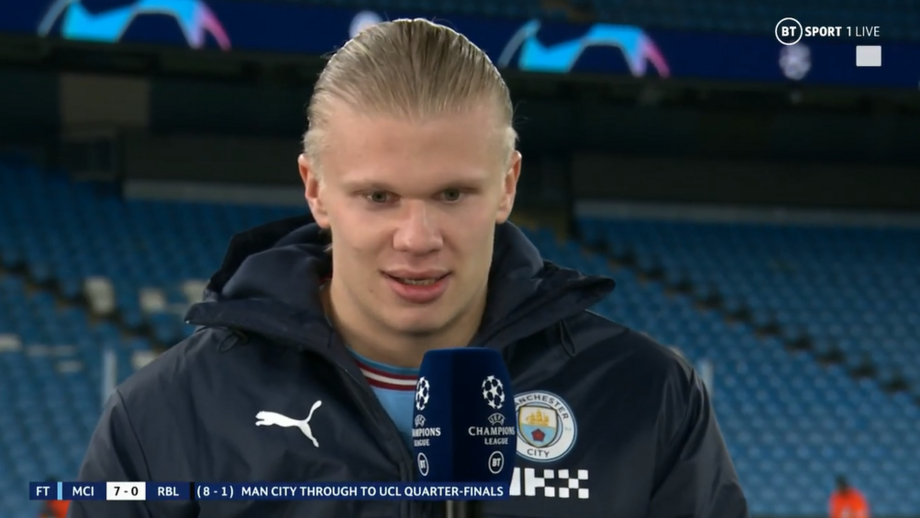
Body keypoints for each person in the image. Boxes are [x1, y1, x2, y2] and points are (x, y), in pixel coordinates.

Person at [69, 18, 749, 518]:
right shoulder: (167, 416)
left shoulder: (643, 398)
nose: (417, 238)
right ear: (316, 190)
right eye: (378, 197)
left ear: (507, 185)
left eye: (452, 194)